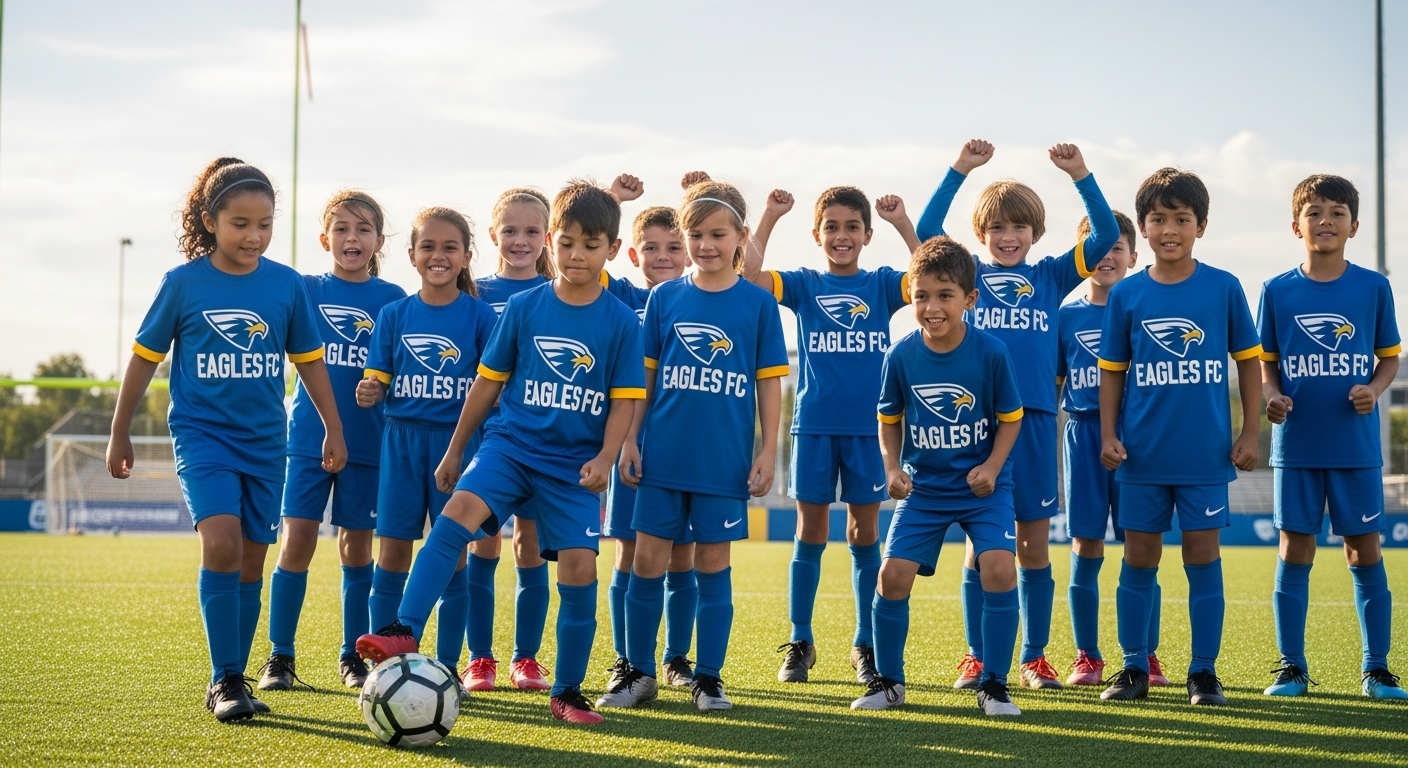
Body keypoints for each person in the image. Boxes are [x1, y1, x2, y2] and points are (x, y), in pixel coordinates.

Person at [357, 180, 645, 725]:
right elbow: (486, 386)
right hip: (510, 447)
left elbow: (624, 400)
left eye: (590, 245)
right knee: (456, 515)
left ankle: (566, 691)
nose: (576, 255)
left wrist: (607, 458)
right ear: (550, 244)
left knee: (581, 568)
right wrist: (455, 452)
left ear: (610, 249)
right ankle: (403, 631)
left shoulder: (619, 322)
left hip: (572, 465)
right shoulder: (523, 308)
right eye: (566, 243)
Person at [106, 158, 346, 722]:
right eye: (240, 223)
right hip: (202, 436)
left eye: (264, 224)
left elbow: (310, 363)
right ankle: (225, 680)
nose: (254, 235)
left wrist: (333, 427)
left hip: (267, 442)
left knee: (251, 564)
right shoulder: (182, 283)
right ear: (211, 221)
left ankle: (236, 676)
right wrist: (120, 430)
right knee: (221, 544)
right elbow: (144, 360)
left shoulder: (286, 285)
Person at [915, 140, 1117, 689]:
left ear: (1036, 234)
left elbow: (1101, 234)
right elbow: (928, 229)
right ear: (982, 235)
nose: (1009, 238)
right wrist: (960, 170)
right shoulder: (970, 275)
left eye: (1020, 228)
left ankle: (1032, 656)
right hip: (976, 426)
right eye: (998, 228)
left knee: (1031, 545)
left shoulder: (1052, 276)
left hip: (1031, 423)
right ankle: (977, 656)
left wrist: (1080, 174)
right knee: (982, 546)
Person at [599, 180, 787, 712]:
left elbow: (769, 383)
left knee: (712, 566)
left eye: (717, 234)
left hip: (723, 463)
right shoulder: (664, 298)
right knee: (647, 562)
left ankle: (708, 678)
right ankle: (636, 673)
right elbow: (645, 379)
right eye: (696, 234)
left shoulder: (757, 304)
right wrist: (632, 439)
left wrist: (767, 451)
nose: (706, 245)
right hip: (661, 457)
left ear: (740, 238)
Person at [740, 184, 920, 684]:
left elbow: (931, 275)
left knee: (865, 535)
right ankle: (801, 640)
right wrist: (770, 217)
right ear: (817, 234)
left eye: (852, 227)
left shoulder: (883, 285)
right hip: (815, 426)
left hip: (870, 432)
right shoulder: (803, 284)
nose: (842, 236)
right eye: (832, 227)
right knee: (810, 533)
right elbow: (748, 277)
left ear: (866, 234)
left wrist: (904, 224)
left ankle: (864, 642)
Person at [1097, 168, 1262, 706]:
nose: (1170, 228)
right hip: (1142, 455)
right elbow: (1112, 372)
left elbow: (1248, 363)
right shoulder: (1127, 295)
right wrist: (1107, 433)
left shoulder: (1224, 287)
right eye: (1158, 218)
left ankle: (1203, 672)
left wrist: (1250, 431)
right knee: (1139, 558)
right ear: (1142, 228)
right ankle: (1132, 668)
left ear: (1202, 225)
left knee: (1201, 556)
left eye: (1182, 219)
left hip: (1205, 455)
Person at [850, 235, 1024, 716]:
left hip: (982, 489)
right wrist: (892, 467)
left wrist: (991, 467)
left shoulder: (991, 353)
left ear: (969, 300)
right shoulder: (901, 356)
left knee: (998, 566)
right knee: (891, 575)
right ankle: (889, 683)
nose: (931, 306)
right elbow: (889, 417)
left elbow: (1012, 417)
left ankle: (994, 683)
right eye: (920, 295)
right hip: (924, 488)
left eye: (944, 295)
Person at [1257, 174, 1406, 700]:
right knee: (1295, 550)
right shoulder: (1276, 290)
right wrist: (1271, 396)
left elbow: (1389, 357)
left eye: (1337, 212)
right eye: (1314, 211)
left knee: (1364, 552)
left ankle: (1377, 668)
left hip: (1355, 448)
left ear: (1354, 225)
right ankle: (1291, 667)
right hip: (1296, 446)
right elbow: (1264, 364)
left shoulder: (1373, 287)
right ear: (1295, 225)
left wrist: (1374, 388)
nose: (1325, 220)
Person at [258, 191, 406, 692]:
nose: (352, 238)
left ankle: (352, 655)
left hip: (369, 443)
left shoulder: (393, 300)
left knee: (355, 548)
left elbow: (401, 368)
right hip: (307, 439)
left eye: (364, 230)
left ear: (379, 242)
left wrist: (379, 385)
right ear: (325, 238)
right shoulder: (304, 289)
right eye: (342, 228)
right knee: (295, 541)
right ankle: (280, 656)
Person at [357, 207, 498, 686]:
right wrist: (372, 388)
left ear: (466, 257)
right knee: (393, 552)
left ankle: (446, 666)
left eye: (450, 247)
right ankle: (385, 666)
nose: (439, 255)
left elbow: (492, 384)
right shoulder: (394, 314)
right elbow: (378, 374)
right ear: (412, 255)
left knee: (453, 555)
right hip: (400, 441)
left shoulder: (481, 317)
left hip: (456, 445)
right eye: (429, 247)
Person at [1056, 211, 1169, 687]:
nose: (1107, 257)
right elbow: (1054, 382)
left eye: (1117, 248)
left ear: (1133, 256)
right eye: (1097, 249)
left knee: (1141, 549)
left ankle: (1145, 655)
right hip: (1082, 436)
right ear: (1082, 256)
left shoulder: (1143, 308)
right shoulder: (1064, 316)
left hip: (1137, 438)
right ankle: (1088, 655)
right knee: (1085, 544)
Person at [601, 202, 701, 690]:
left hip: (683, 449)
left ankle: (676, 658)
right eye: (653, 248)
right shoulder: (620, 296)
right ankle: (627, 658)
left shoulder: (696, 299)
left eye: (674, 246)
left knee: (682, 557)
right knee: (627, 553)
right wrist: (613, 200)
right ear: (634, 254)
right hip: (630, 446)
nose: (664, 256)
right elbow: (583, 251)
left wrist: (697, 196)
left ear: (687, 252)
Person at [462, 187, 557, 693]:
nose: (521, 241)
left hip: (543, 440)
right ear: (493, 235)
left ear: (547, 237)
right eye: (511, 231)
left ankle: (527, 659)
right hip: (488, 437)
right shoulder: (472, 292)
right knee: (483, 543)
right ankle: (480, 660)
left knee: (531, 546)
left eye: (532, 231)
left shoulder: (560, 290)